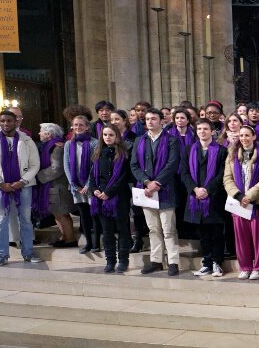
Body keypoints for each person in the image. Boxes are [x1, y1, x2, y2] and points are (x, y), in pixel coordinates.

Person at [0, 110, 42, 266]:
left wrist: (23, 181)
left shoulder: (27, 141)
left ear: (16, 122)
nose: (5, 124)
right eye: (2, 121)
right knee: (0, 220)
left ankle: (28, 252)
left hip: (24, 186)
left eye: (9, 121)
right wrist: (0, 183)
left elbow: (35, 164)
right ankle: (1, 254)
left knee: (26, 220)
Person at [130, 108, 182, 275]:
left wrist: (157, 182)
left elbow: (172, 164)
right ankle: (156, 261)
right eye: (147, 119)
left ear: (161, 121)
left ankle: (173, 262)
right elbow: (134, 165)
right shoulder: (139, 140)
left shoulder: (172, 140)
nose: (150, 122)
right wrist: (146, 182)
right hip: (146, 190)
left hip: (165, 189)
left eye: (153, 119)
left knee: (168, 229)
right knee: (153, 229)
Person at [182, 119, 229, 278]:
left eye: (206, 129)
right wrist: (195, 189)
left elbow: (222, 174)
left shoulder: (222, 151)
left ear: (212, 131)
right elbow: (184, 173)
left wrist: (207, 190)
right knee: (202, 234)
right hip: (195, 199)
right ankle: (207, 263)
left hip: (214, 199)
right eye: (199, 129)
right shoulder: (189, 149)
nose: (202, 131)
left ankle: (217, 263)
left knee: (216, 233)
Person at [225, 126, 259, 280]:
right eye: (241, 135)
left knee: (258, 237)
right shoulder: (231, 154)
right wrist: (238, 195)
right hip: (238, 203)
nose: (244, 138)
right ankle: (245, 266)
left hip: (256, 202)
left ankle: (258, 268)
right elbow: (227, 178)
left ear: (253, 136)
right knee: (241, 237)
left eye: (247, 135)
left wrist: (249, 196)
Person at [88, 125, 133, 273]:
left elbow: (123, 177)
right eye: (105, 135)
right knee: (106, 232)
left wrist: (108, 192)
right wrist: (95, 190)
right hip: (101, 198)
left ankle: (123, 260)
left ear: (117, 136)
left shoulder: (124, 154)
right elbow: (93, 176)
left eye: (111, 135)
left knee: (122, 229)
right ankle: (110, 260)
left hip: (119, 197)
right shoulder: (97, 153)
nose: (107, 137)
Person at [65, 115, 100, 253]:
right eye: (75, 125)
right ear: (72, 127)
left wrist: (87, 185)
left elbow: (95, 166)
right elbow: (66, 165)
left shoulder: (94, 143)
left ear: (87, 127)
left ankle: (96, 243)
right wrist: (74, 184)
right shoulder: (69, 144)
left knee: (94, 216)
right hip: (76, 186)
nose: (78, 127)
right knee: (83, 216)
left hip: (90, 186)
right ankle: (88, 243)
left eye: (81, 125)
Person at [37, 122, 75, 247]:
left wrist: (38, 176)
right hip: (52, 185)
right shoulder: (49, 146)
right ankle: (64, 237)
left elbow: (56, 169)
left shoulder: (57, 147)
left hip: (58, 185)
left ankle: (70, 239)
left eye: (41, 131)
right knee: (57, 214)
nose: (39, 133)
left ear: (48, 134)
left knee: (62, 213)